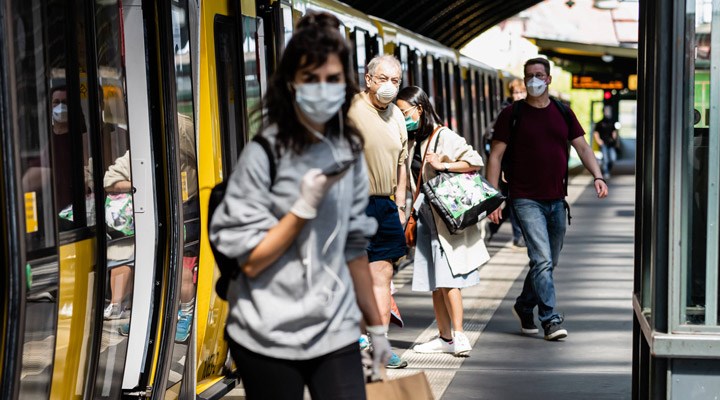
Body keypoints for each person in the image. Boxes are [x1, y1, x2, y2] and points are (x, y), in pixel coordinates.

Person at [209, 12, 391, 399]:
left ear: (346, 86)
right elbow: (252, 261)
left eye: (332, 79)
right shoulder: (265, 154)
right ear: (291, 84)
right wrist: (301, 210)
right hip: (265, 333)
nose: (322, 89)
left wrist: (376, 330)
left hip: (335, 327)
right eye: (311, 79)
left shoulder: (349, 151)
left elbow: (354, 249)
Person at [486, 57, 609, 341]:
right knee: (541, 259)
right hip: (524, 198)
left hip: (556, 200)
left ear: (549, 79)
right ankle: (550, 319)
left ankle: (524, 304)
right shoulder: (512, 114)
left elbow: (583, 147)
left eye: (539, 75)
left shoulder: (563, 113)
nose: (534, 80)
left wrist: (598, 176)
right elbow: (495, 157)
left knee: (548, 262)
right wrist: (495, 199)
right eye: (529, 75)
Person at [397, 86, 489, 356]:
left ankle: (459, 335)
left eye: (405, 113)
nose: (403, 118)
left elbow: (475, 161)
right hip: (425, 216)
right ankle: (444, 336)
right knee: (435, 282)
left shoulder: (444, 136)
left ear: (420, 109)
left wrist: (444, 165)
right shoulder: (412, 140)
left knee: (449, 279)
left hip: (445, 217)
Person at [347, 54, 409, 369]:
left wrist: (399, 204)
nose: (388, 86)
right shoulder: (350, 109)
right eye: (383, 79)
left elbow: (402, 164)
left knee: (382, 275)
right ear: (369, 79)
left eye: (395, 81)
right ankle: (352, 341)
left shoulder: (397, 116)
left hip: (385, 205)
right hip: (352, 203)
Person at [592, 108, 619, 179]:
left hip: (611, 144)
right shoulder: (600, 123)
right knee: (606, 159)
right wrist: (598, 141)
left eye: (609, 111)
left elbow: (614, 132)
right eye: (606, 111)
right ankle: (606, 172)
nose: (608, 113)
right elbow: (596, 133)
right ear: (603, 112)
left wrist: (614, 139)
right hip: (603, 143)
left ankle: (607, 169)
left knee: (613, 158)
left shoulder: (612, 122)